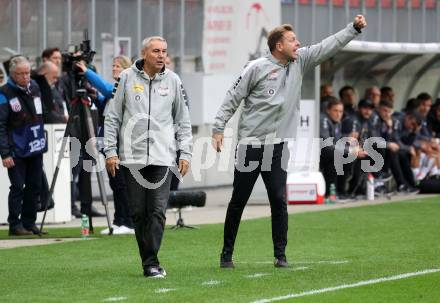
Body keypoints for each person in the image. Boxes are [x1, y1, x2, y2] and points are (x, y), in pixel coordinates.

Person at [212, 15, 367, 268]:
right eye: (292, 40)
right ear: (278, 46)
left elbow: (328, 46)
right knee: (238, 200)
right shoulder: (255, 68)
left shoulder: (301, 60)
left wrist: (353, 29)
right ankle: (226, 254)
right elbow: (232, 97)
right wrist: (218, 128)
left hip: (277, 146)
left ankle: (280, 255)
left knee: (278, 199)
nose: (298, 43)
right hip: (250, 145)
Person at [104, 36, 192, 278]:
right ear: (144, 53)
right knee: (138, 213)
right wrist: (110, 151)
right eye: (156, 51)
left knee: (157, 210)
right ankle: (150, 261)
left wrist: (185, 152)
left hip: (162, 157)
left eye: (164, 50)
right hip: (131, 158)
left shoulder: (174, 80)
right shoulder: (125, 78)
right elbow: (112, 117)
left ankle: (150, 263)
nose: (161, 55)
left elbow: (183, 121)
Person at [75, 56, 135, 235]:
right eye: (113, 65)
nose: (114, 69)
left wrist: (87, 72)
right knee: (115, 183)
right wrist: (95, 97)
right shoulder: (117, 89)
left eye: (118, 66)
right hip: (109, 142)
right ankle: (118, 220)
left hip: (121, 142)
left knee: (122, 184)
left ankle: (129, 222)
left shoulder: (126, 85)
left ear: (126, 69)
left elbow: (107, 90)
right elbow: (107, 103)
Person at [0, 56, 47, 236]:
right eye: (21, 74)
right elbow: (1, 125)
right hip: (16, 150)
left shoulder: (34, 87)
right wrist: (5, 153)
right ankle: (14, 224)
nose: (26, 77)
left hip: (35, 145)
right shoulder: (4, 93)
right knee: (18, 187)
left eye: (28, 73)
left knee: (34, 186)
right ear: (12, 74)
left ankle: (29, 222)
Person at [319, 99, 347, 198]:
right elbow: (327, 145)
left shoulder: (337, 122)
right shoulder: (323, 120)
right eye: (335, 111)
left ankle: (342, 191)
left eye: (340, 111)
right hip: (317, 156)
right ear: (328, 110)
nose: (338, 114)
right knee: (338, 157)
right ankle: (331, 193)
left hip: (329, 153)